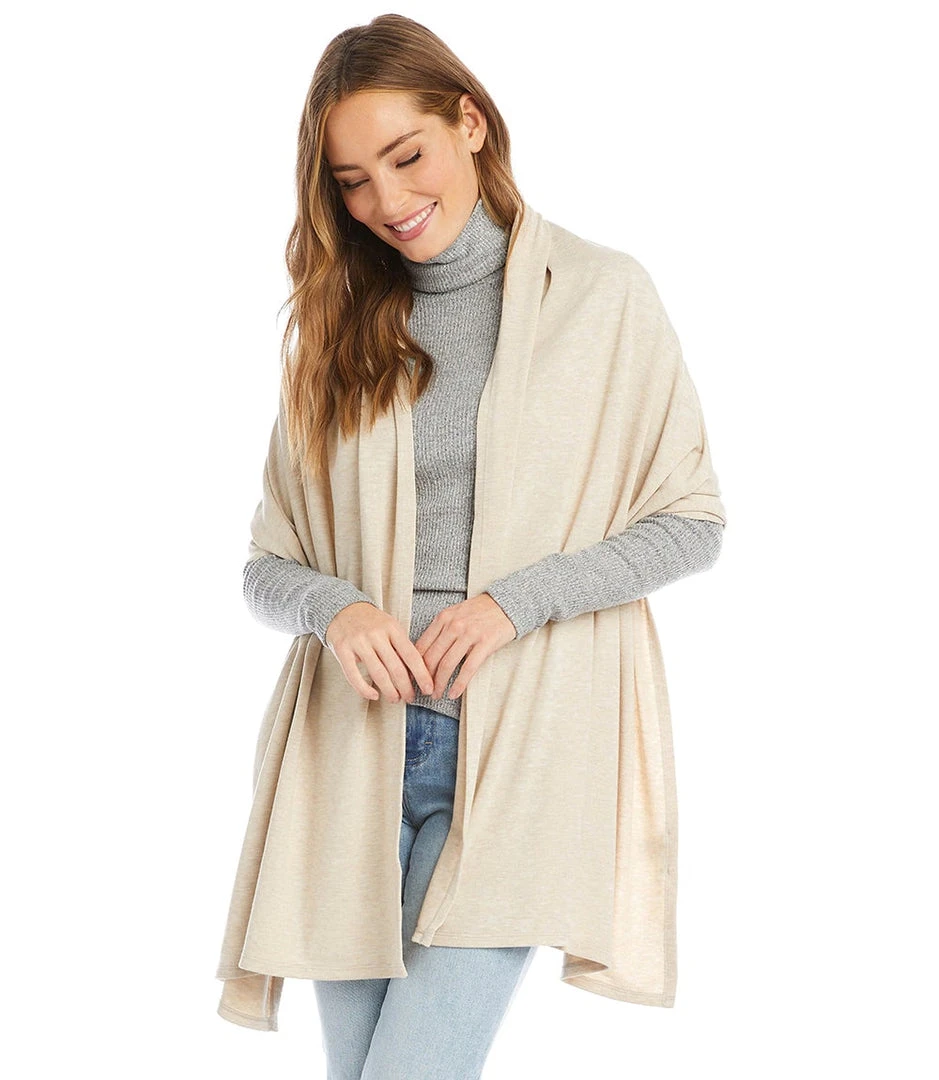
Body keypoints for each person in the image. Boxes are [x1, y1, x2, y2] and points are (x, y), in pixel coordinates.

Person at [221, 13, 725, 1078]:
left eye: (406, 156)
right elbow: (266, 563)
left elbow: (690, 520)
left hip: (522, 752)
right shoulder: (337, 329)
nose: (387, 200)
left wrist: (513, 602)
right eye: (352, 181)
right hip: (349, 753)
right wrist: (338, 609)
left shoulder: (601, 296)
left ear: (471, 123)